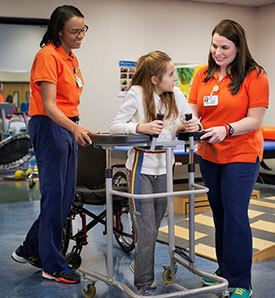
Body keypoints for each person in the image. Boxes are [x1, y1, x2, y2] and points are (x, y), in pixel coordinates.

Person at [11, 5, 95, 284]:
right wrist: (74, 128)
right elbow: (48, 106)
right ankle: (52, 265)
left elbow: (69, 102)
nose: (81, 35)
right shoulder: (47, 56)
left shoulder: (70, 58)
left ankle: (31, 248)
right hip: (50, 127)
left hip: (66, 126)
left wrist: (76, 126)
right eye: (74, 31)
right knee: (54, 196)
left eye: (83, 29)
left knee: (65, 197)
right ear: (59, 31)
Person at [188, 19, 269, 298]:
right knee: (219, 214)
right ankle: (224, 273)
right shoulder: (202, 75)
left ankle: (241, 281)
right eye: (214, 45)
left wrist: (227, 129)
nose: (218, 52)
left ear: (238, 48)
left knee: (235, 215)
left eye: (224, 47)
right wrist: (192, 124)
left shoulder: (255, 75)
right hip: (209, 153)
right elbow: (194, 112)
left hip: (242, 152)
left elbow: (255, 120)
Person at [110, 50, 200, 296]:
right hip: (141, 168)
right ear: (154, 79)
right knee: (148, 228)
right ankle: (144, 285)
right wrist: (141, 126)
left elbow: (193, 120)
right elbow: (115, 125)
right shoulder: (137, 94)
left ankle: (139, 261)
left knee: (154, 224)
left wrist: (190, 125)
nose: (174, 79)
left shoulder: (174, 94)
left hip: (165, 167)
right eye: (170, 74)